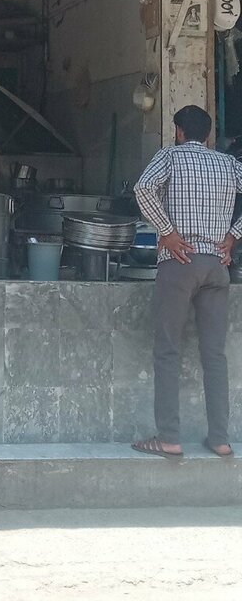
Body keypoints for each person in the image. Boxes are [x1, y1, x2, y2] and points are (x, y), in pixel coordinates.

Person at [132, 105, 242, 460]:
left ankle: (168, 438)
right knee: (215, 355)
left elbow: (143, 188)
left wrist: (167, 232)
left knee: (168, 350)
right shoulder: (227, 164)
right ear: (208, 135)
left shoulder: (170, 157)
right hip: (216, 265)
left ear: (179, 131)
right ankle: (221, 439)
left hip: (179, 263)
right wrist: (233, 236)